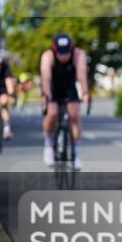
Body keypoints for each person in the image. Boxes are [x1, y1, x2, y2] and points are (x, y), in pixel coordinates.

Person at [40, 33, 90, 169]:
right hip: (53, 87)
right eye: (60, 53)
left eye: (66, 52)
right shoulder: (47, 56)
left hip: (69, 86)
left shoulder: (78, 54)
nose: (64, 56)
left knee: (74, 116)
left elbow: (81, 74)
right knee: (52, 114)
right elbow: (46, 77)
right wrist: (47, 96)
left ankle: (76, 154)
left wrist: (85, 93)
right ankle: (49, 144)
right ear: (55, 50)